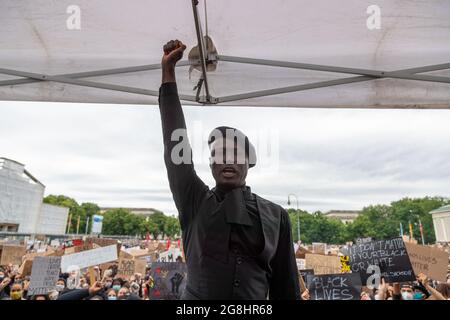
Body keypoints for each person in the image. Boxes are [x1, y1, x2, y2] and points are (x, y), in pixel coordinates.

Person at [158, 39, 300, 300]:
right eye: (218, 154)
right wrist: (168, 73)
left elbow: (286, 285)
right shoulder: (194, 201)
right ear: (210, 163)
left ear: (249, 161)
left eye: (235, 153)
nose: (227, 160)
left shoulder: (277, 216)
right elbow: (174, 141)